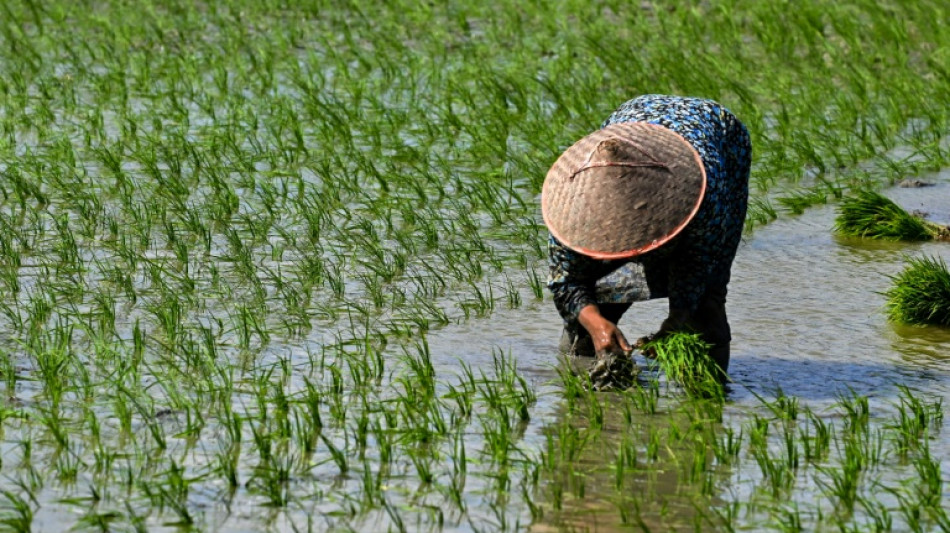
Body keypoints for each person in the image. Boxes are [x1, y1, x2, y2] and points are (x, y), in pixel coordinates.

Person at [541, 94, 751, 376]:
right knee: (589, 319)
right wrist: (595, 323)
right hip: (633, 121)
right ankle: (580, 397)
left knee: (705, 305)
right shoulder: (572, 205)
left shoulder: (705, 196)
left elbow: (698, 263)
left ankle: (712, 402)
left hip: (716, 137)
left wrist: (676, 321)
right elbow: (565, 280)